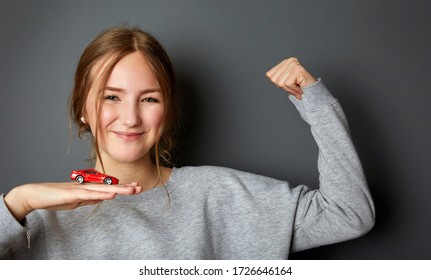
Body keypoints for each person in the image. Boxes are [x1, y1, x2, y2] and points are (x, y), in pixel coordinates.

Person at [0, 26, 375, 259]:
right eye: (110, 97)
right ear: (82, 108)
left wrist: (316, 102)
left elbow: (348, 214)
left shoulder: (218, 195)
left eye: (149, 99)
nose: (130, 117)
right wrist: (17, 203)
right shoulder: (33, 219)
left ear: (168, 111)